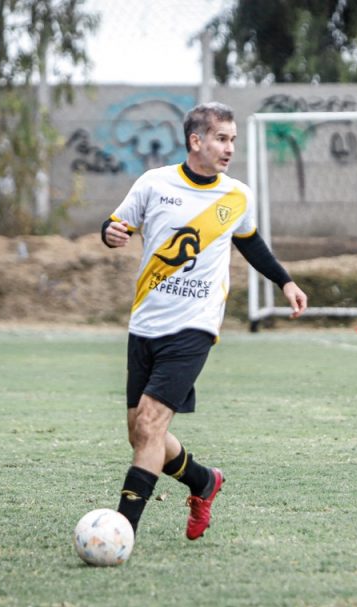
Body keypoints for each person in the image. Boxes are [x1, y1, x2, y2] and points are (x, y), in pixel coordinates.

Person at [102, 101, 307, 542]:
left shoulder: (236, 195)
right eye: (221, 139)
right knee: (140, 433)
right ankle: (203, 481)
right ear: (196, 141)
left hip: (195, 327)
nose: (229, 148)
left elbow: (250, 242)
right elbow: (117, 224)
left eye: (233, 140)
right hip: (145, 323)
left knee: (151, 425)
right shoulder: (154, 183)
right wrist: (110, 232)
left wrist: (285, 281)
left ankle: (121, 531)